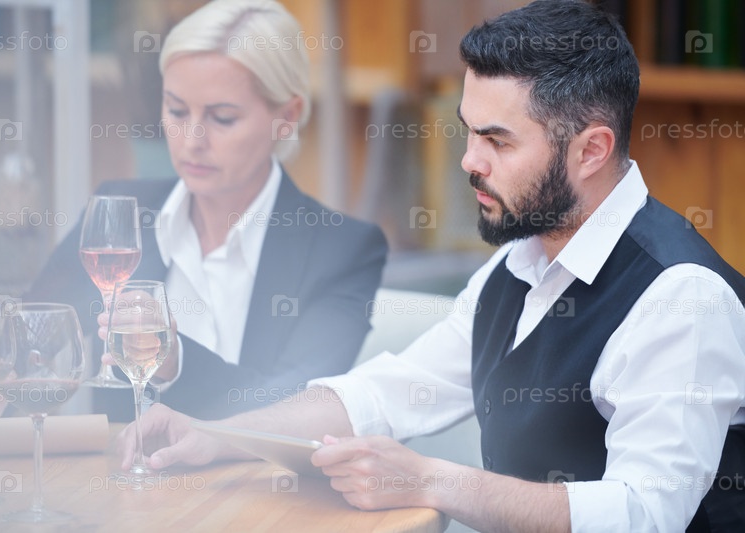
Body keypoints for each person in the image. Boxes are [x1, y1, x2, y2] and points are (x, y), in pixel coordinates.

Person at [117, 1, 745, 531]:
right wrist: (220, 434)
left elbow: (644, 514)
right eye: (468, 131)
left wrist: (431, 480)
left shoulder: (683, 296)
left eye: (497, 141)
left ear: (591, 150)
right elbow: (384, 393)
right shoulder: (519, 264)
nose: (469, 160)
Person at [26, 0, 387, 422]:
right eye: (177, 110)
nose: (191, 140)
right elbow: (31, 335)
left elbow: (296, 408)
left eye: (222, 118)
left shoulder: (342, 250)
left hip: (256, 469)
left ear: (286, 117)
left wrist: (175, 359)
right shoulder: (123, 213)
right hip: (115, 465)